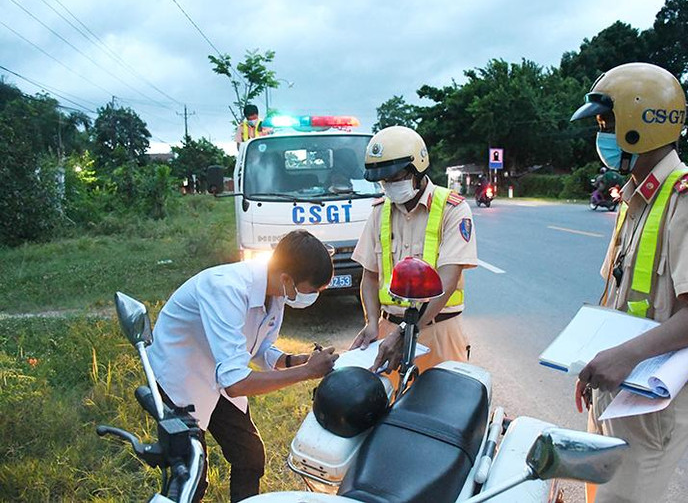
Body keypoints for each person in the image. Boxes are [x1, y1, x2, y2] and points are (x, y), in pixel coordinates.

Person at [570, 62, 688, 503]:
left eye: (607, 124)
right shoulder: (637, 198)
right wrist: (596, 360)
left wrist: (625, 355)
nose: (600, 136)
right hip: (620, 383)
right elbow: (622, 294)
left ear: (638, 127)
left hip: (654, 399)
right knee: (598, 496)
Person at [147, 230, 338, 502]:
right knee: (190, 477)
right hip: (180, 378)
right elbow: (236, 384)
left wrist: (295, 361)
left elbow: (258, 349)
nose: (311, 297)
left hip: (219, 373)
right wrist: (307, 372)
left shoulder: (275, 294)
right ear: (286, 278)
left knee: (249, 456)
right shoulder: (226, 288)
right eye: (310, 291)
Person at [349, 126, 478, 374]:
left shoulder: (453, 209)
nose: (389, 186)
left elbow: (448, 279)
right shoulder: (379, 212)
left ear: (417, 168)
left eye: (395, 177)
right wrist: (372, 323)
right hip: (388, 332)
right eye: (384, 181)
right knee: (386, 407)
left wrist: (407, 331)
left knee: (443, 407)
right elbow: (370, 276)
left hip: (439, 331)